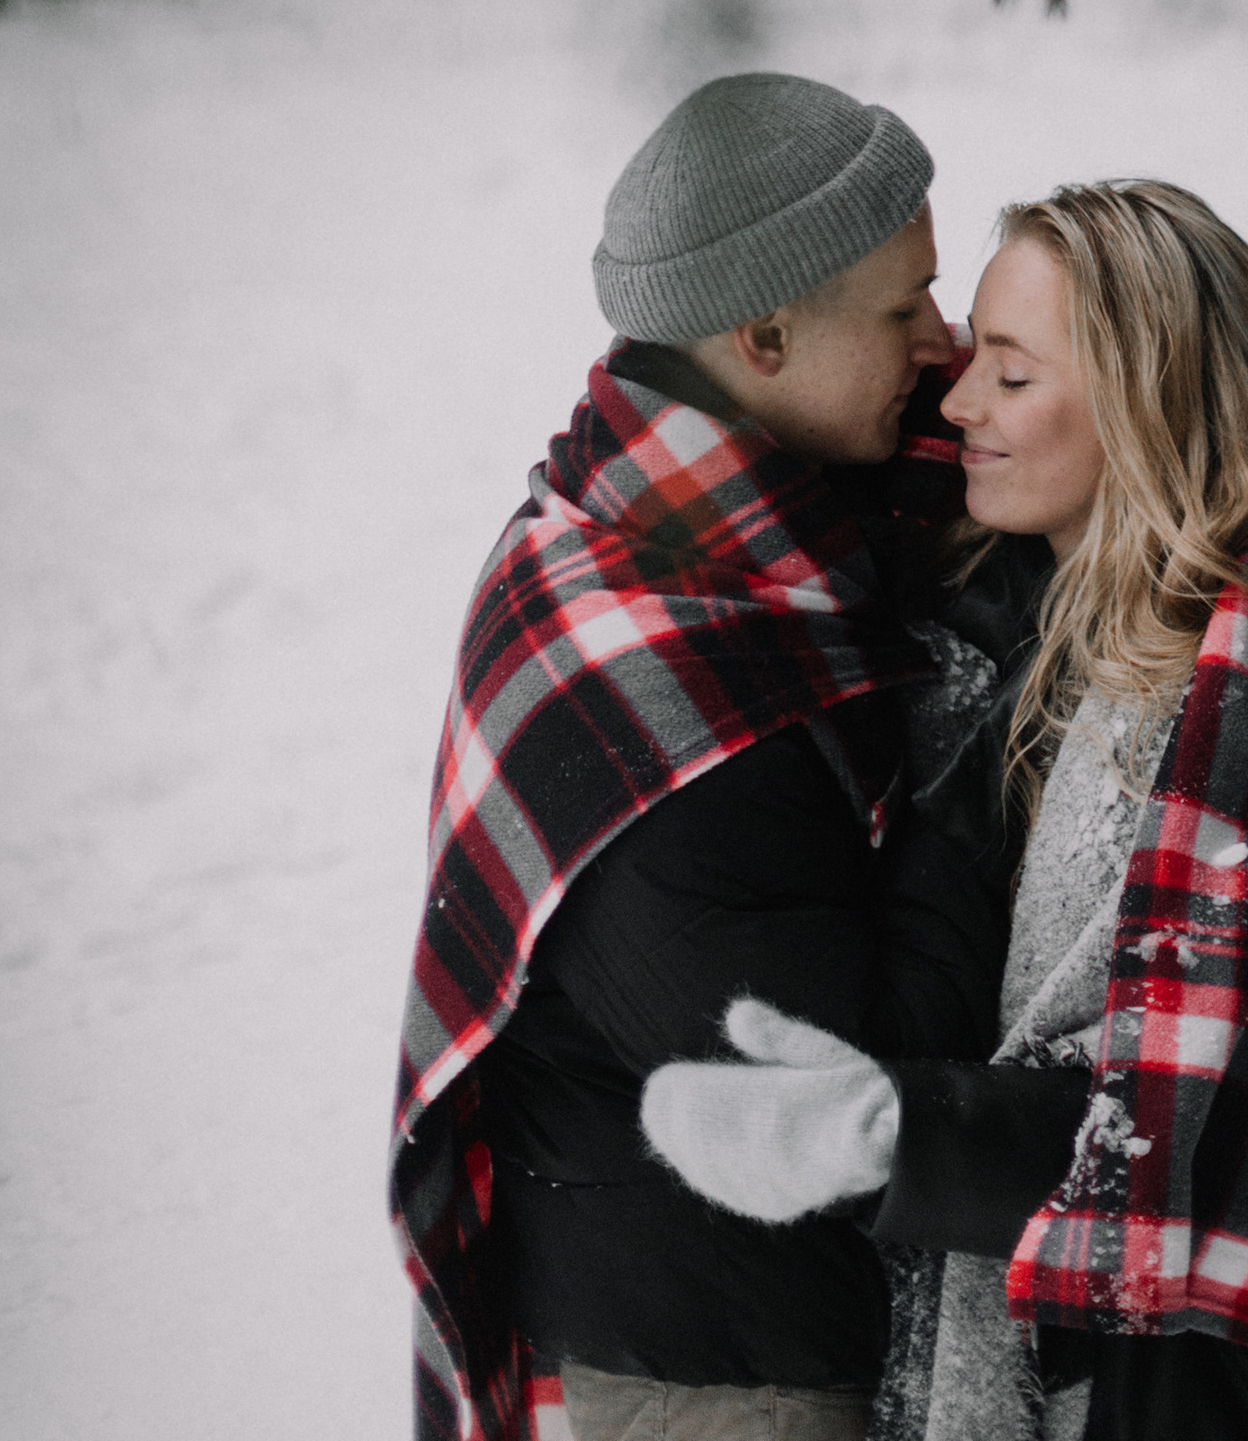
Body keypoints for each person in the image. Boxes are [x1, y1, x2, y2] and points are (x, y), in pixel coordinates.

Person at [644, 178, 1248, 1441]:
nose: (956, 399)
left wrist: (888, 1133)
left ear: (1142, 407)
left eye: (1010, 376)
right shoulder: (1034, 638)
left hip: (1238, 1386)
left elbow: (1209, 1122)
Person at [391, 70, 1002, 1441]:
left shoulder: (698, 541)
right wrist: (990, 749)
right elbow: (849, 1088)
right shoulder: (652, 687)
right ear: (766, 337)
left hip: (761, 1335)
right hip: (734, 1384)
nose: (944, 341)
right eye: (905, 308)